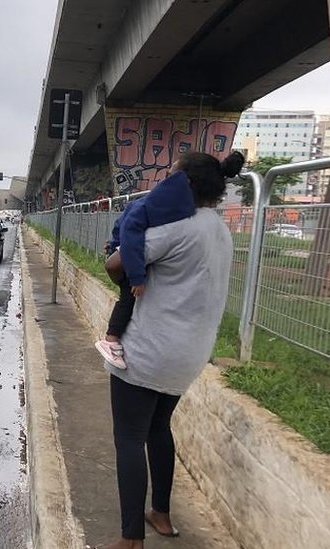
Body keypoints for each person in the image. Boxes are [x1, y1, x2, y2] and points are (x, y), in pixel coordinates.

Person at [94, 150, 244, 549]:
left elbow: (117, 265)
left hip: (148, 351)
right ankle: (160, 513)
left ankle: (130, 539)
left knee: (128, 437)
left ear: (185, 186)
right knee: (158, 428)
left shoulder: (178, 228)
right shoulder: (221, 230)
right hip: (188, 357)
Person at [94, 168, 199, 368]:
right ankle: (111, 340)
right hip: (126, 255)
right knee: (128, 297)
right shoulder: (151, 206)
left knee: (130, 299)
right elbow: (131, 239)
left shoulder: (154, 202)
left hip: (122, 250)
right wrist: (137, 278)